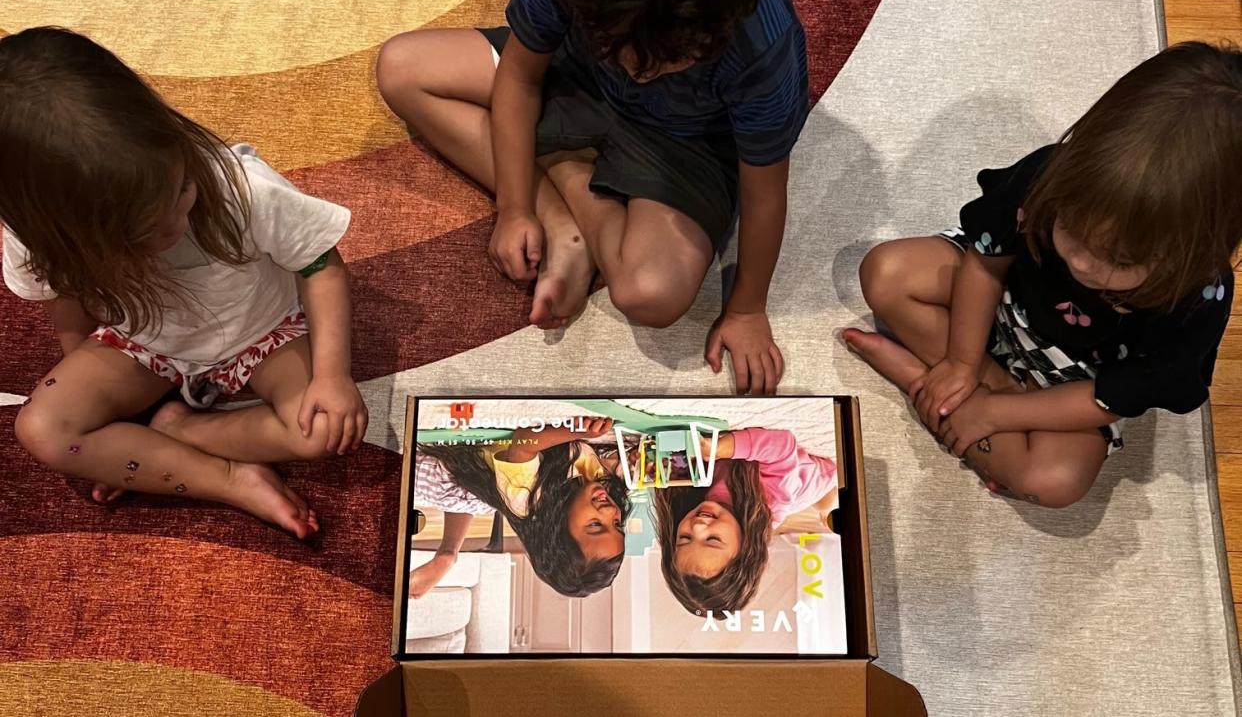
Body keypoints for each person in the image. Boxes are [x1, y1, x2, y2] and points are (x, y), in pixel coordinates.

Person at [376, 0, 807, 394]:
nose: (637, 67)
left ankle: (561, 169)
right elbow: (523, 76)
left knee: (649, 294)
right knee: (402, 67)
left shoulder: (763, 42)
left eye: (670, 57)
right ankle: (564, 220)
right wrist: (520, 208)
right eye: (618, 41)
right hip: (573, 80)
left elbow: (765, 193)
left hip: (680, 145)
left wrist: (744, 309)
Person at [1, 27, 365, 539]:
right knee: (41, 430)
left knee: (323, 430)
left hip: (264, 332)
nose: (182, 214)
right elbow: (66, 304)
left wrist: (332, 376)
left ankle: (180, 433)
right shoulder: (37, 240)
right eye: (151, 230)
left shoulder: (239, 186)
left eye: (182, 188)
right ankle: (229, 480)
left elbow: (319, 264)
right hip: (143, 342)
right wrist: (89, 380)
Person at [844, 42, 1241, 508]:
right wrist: (960, 363)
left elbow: (1118, 392)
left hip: (1079, 377)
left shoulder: (1197, 295)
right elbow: (985, 260)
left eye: (1120, 260)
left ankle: (923, 382)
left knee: (1054, 482)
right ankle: (966, 393)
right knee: (886, 272)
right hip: (1004, 302)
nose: (1083, 264)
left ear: (1194, 249)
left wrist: (996, 411)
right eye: (1070, 230)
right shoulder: (1052, 171)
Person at [417, 417, 631, 597]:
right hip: (481, 486)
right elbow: (606, 461)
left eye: (595, 525)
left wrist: (574, 430)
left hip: (446, 474)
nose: (611, 511)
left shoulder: (527, 500)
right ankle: (448, 554)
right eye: (616, 524)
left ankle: (447, 555)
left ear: (557, 531)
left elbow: (524, 442)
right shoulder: (589, 490)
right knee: (472, 495)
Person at [653, 428, 837, 614]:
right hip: (813, 478)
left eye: (684, 538)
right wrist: (723, 448)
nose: (698, 527)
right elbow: (782, 445)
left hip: (766, 497)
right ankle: (826, 506)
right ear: (746, 548)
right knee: (826, 493)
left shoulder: (692, 502)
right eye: (713, 540)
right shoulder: (773, 498)